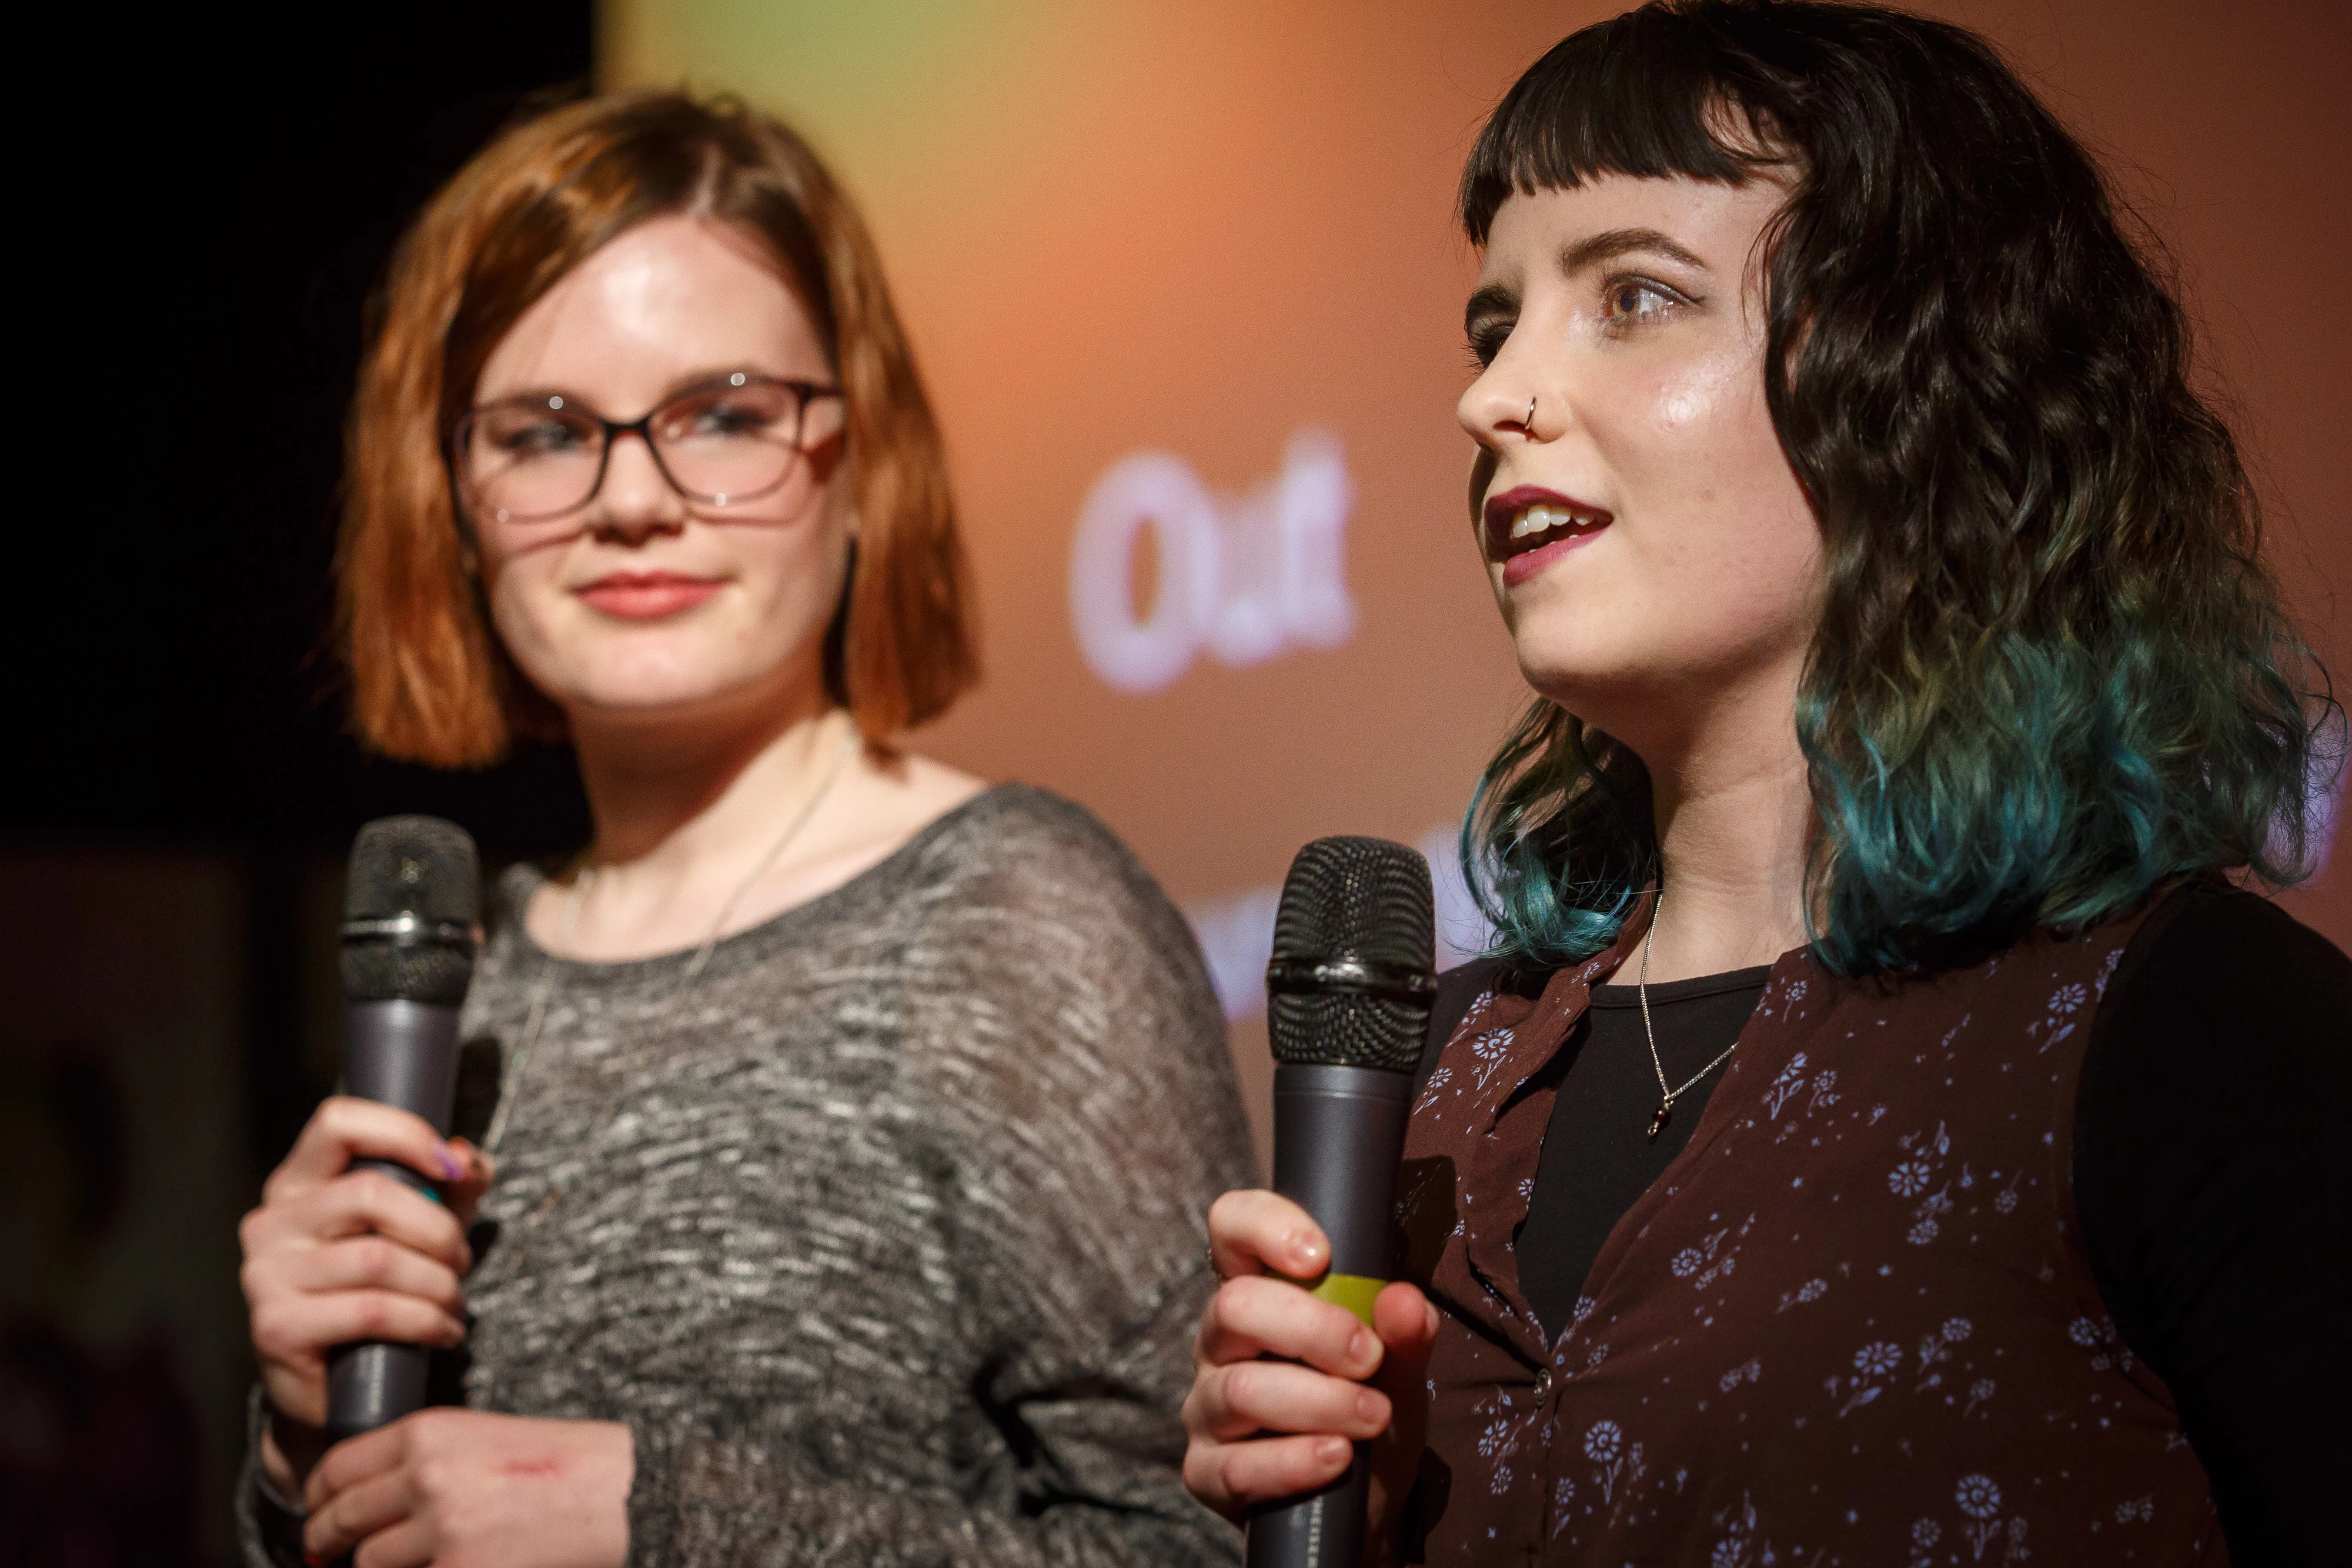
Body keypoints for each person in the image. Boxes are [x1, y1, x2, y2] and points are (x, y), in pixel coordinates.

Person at [1180, 3, 2349, 1563]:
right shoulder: (1447, 1075)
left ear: (1923, 381)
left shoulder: (2197, 1029)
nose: (1493, 396)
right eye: (1493, 326)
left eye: (1635, 297)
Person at [233, 91, 1254, 1568]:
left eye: (721, 417)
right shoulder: (465, 985)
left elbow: (1202, 1548)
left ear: (857, 463)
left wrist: (670, 1526)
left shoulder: (1011, 916)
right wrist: (293, 1442)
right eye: (544, 433)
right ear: (451, 497)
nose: (633, 498)